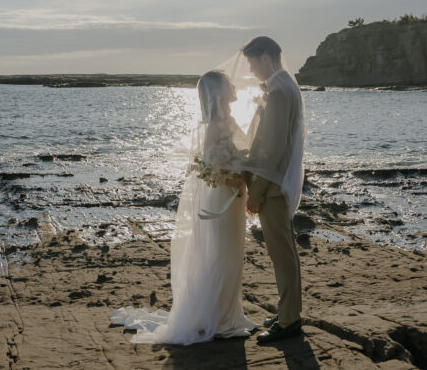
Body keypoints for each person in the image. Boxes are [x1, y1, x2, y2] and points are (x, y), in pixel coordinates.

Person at [109, 70, 257, 344]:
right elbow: (213, 166)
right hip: (223, 196)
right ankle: (220, 320)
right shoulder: (214, 124)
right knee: (221, 254)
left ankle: (230, 314)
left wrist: (243, 173)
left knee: (233, 253)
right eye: (227, 84)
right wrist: (236, 174)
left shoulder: (229, 120)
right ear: (217, 92)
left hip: (234, 194)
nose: (233, 86)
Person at [241, 36, 306, 344]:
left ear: (266, 59)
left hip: (275, 186)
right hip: (278, 182)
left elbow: (273, 149)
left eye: (253, 63)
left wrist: (257, 191)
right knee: (285, 251)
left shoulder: (279, 92)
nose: (252, 70)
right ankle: (287, 312)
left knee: (282, 254)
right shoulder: (283, 86)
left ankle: (290, 320)